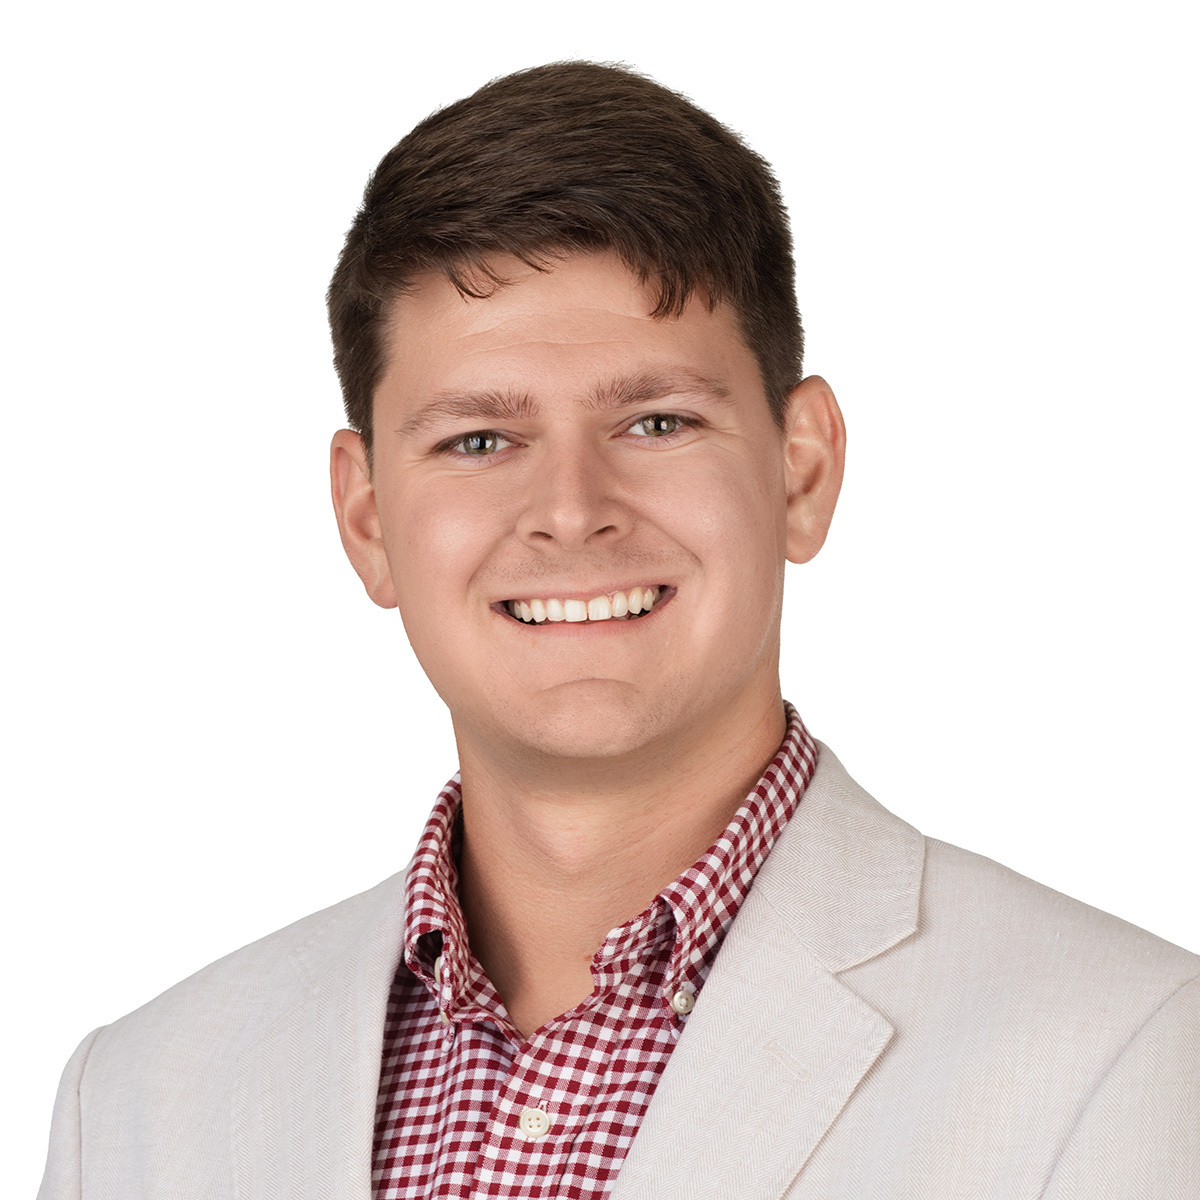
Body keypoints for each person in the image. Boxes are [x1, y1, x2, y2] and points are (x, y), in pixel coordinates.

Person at [37, 60, 1199, 1200]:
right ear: (368, 518)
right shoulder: (138, 1102)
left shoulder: (1130, 1057)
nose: (571, 510)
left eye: (656, 421)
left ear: (801, 471)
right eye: (478, 441)